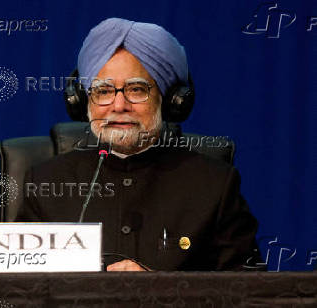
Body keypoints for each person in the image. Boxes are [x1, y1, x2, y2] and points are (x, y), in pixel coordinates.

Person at [15, 18, 262, 271]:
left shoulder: (215, 185)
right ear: (82, 102)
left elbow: (247, 291)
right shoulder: (46, 183)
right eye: (103, 91)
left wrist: (160, 291)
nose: (119, 105)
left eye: (136, 89)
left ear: (169, 100)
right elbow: (18, 286)